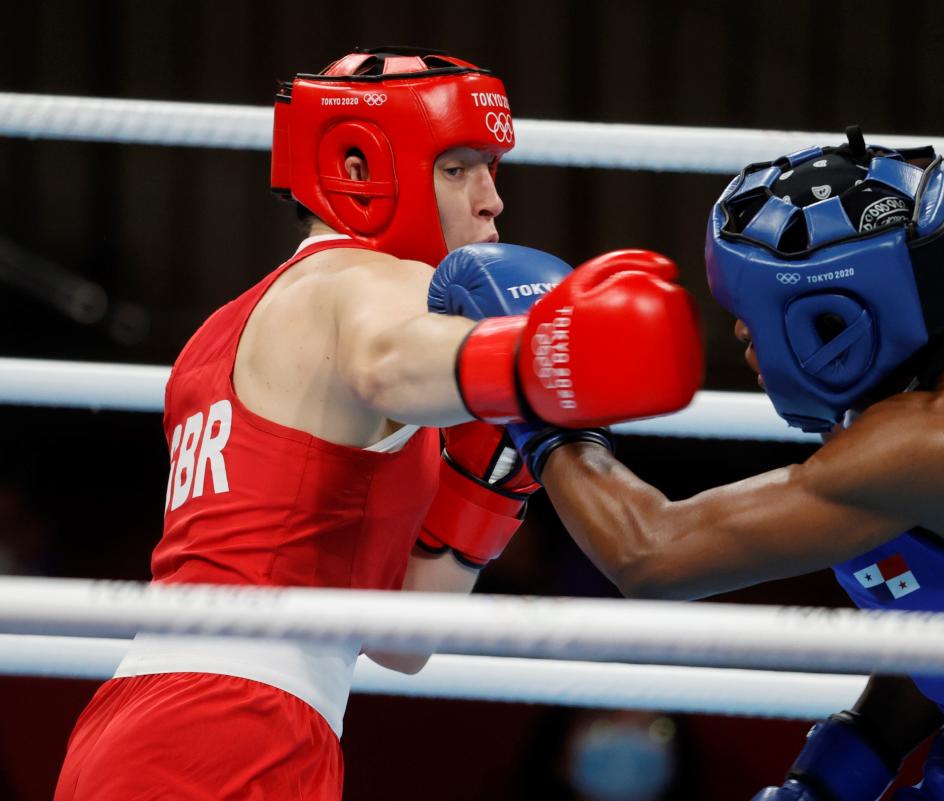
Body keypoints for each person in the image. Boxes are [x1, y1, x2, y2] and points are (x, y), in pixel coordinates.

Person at [53, 47, 702, 801]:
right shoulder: (365, 282)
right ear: (359, 168)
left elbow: (400, 641)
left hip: (160, 719)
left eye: (492, 168)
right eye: (457, 168)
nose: (492, 200)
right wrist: (546, 356)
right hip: (234, 729)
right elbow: (387, 360)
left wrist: (489, 480)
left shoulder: (220, 331)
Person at [498, 127, 944, 799]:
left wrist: (530, 391)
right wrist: (842, 766)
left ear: (835, 320)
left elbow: (652, 553)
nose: (739, 332)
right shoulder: (916, 374)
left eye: (753, 312)